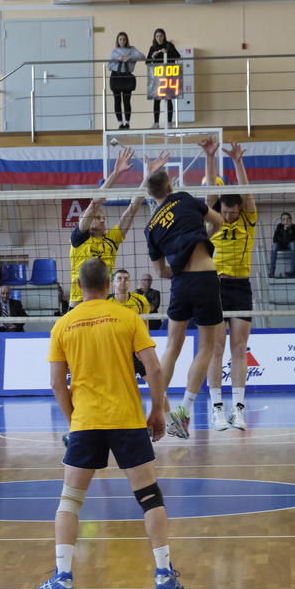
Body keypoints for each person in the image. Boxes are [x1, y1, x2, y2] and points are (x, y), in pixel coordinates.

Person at [37, 258, 181, 589]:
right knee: (150, 497)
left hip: (86, 421)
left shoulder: (63, 325)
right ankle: (163, 574)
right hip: (127, 419)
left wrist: (74, 419)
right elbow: (154, 369)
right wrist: (157, 411)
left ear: (80, 286)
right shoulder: (128, 317)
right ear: (108, 285)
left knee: (70, 501)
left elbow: (57, 383)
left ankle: (63, 577)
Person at [143, 145, 224, 439]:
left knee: (171, 348)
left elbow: (160, 271)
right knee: (206, 348)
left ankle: (156, 411)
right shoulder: (184, 198)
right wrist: (204, 237)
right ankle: (183, 412)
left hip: (179, 284)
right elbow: (219, 221)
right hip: (204, 277)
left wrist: (172, 267)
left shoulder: (151, 226)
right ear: (170, 185)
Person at [204, 140, 257, 432]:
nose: (229, 217)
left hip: (241, 287)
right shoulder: (213, 219)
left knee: (239, 348)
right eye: (225, 212)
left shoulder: (248, 220)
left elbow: (247, 194)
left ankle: (238, 409)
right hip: (215, 286)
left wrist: (238, 161)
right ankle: (217, 410)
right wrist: (210, 157)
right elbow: (211, 192)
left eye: (233, 212)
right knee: (216, 348)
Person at [69, 147, 144, 307]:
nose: (102, 221)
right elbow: (94, 204)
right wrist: (116, 174)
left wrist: (148, 179)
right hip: (79, 304)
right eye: (97, 218)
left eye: (104, 218)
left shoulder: (111, 240)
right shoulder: (80, 238)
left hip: (103, 304)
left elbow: (132, 209)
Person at [109, 31, 145, 129]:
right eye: (120, 39)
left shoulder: (131, 49)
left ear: (127, 40)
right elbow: (109, 66)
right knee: (117, 100)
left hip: (127, 76)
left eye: (124, 39)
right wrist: (118, 60)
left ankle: (127, 122)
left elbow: (142, 57)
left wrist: (129, 58)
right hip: (116, 76)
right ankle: (120, 123)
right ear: (117, 40)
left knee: (127, 101)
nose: (122, 41)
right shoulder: (114, 51)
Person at [146, 28, 181, 126]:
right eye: (157, 36)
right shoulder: (152, 47)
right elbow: (147, 62)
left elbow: (178, 56)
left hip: (168, 75)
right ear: (155, 37)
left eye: (161, 36)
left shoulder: (169, 45)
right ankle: (156, 122)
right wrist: (152, 56)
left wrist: (167, 52)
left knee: (169, 99)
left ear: (164, 36)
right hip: (157, 76)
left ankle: (169, 122)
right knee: (156, 99)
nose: (159, 38)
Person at [269, 212, 295, 278]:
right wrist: (284, 230)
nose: (286, 221)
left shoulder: (294, 227)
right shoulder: (279, 226)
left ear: (291, 220)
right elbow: (275, 239)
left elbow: (292, 239)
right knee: (274, 245)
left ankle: (292, 272)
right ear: (281, 221)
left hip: (289, 245)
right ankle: (272, 272)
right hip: (280, 245)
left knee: (293, 244)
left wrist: (287, 230)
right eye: (284, 219)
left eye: (288, 219)